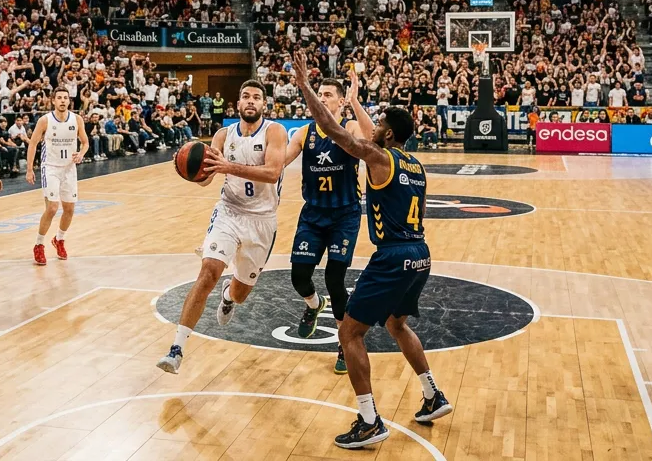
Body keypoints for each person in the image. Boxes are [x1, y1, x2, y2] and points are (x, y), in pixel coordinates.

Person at [291, 52, 451, 448]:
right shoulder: (416, 166)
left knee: (349, 333)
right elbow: (419, 212)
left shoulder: (379, 157)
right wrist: (354, 101)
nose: (373, 128)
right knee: (397, 325)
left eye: (379, 124)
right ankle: (432, 394)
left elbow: (334, 130)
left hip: (393, 256)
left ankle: (369, 420)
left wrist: (305, 87)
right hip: (421, 254)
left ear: (389, 134)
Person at [157, 80, 288, 375]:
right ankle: (176, 349)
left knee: (241, 293)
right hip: (229, 211)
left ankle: (228, 296)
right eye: (246, 96)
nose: (251, 101)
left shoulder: (275, 131)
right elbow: (206, 180)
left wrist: (228, 167)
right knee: (208, 272)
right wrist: (188, 169)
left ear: (264, 104)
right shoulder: (222, 135)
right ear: (237, 104)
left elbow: (272, 172)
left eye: (256, 97)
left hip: (262, 221)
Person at [280, 71, 373, 375]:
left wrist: (356, 102)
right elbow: (279, 162)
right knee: (299, 277)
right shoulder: (303, 133)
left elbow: (370, 140)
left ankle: (344, 344)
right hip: (313, 214)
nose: (322, 99)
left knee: (335, 278)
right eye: (319, 94)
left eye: (328, 95)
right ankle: (313, 304)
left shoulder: (350, 127)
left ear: (341, 101)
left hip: (344, 214)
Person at [27, 88, 89, 266]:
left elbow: (85, 142)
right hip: (50, 168)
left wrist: (81, 154)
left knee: (69, 209)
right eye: (59, 98)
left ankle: (59, 239)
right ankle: (39, 244)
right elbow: (32, 144)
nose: (62, 100)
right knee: (53, 208)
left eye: (65, 98)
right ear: (53, 100)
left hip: (69, 169)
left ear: (69, 101)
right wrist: (30, 169)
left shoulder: (77, 119)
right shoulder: (45, 120)